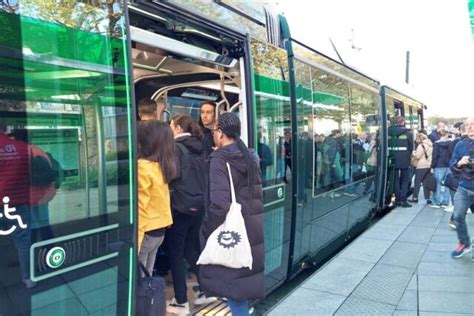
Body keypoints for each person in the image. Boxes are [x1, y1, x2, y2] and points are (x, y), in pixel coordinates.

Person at [199, 113, 264, 316]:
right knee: (238, 289)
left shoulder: (219, 159)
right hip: (249, 228)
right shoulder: (249, 156)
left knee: (232, 290)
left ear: (220, 132)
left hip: (231, 230)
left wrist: (208, 229)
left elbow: (219, 204)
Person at [166, 114, 213, 314]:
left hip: (180, 207)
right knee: (191, 249)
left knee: (175, 253)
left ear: (177, 128)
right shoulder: (202, 146)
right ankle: (207, 289)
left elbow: (170, 176)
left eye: (170, 125)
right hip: (199, 206)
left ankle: (181, 301)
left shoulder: (175, 148)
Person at [137, 120, 176, 275]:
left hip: (146, 232)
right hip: (159, 230)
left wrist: (135, 241)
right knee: (148, 275)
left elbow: (141, 207)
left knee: (140, 278)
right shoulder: (161, 164)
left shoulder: (143, 166)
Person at [449, 117, 474, 259]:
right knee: (457, 216)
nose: (470, 127)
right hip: (464, 187)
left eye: (473, 124)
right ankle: (464, 243)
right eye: (468, 125)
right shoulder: (460, 145)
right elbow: (452, 165)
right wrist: (459, 163)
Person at [388, 116, 414, 207]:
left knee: (395, 179)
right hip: (404, 159)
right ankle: (403, 200)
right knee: (405, 180)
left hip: (392, 159)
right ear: (402, 122)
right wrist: (408, 155)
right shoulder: (408, 133)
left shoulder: (387, 131)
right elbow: (411, 147)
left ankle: (397, 199)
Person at [409, 132, 433, 203]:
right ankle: (427, 198)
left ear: (420, 138)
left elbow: (418, 156)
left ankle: (415, 198)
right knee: (426, 182)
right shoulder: (430, 144)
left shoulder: (421, 145)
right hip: (428, 165)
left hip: (421, 166)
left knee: (417, 182)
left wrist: (413, 153)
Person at [430, 130, 452, 208]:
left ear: (439, 135)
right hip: (448, 165)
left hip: (439, 165)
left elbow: (434, 156)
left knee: (437, 183)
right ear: (447, 135)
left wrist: (432, 166)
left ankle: (437, 201)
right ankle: (445, 202)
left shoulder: (436, 144)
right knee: (447, 184)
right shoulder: (451, 143)